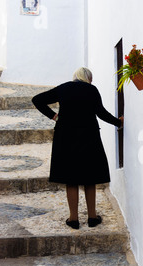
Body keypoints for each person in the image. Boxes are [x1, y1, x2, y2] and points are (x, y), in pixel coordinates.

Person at [32, 67, 123, 230]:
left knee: (70, 178)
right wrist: (118, 122)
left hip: (65, 137)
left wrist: (54, 116)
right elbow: (101, 113)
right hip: (89, 137)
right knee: (90, 177)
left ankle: (73, 219)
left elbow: (37, 99)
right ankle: (92, 218)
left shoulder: (63, 88)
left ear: (75, 77)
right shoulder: (91, 90)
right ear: (88, 78)